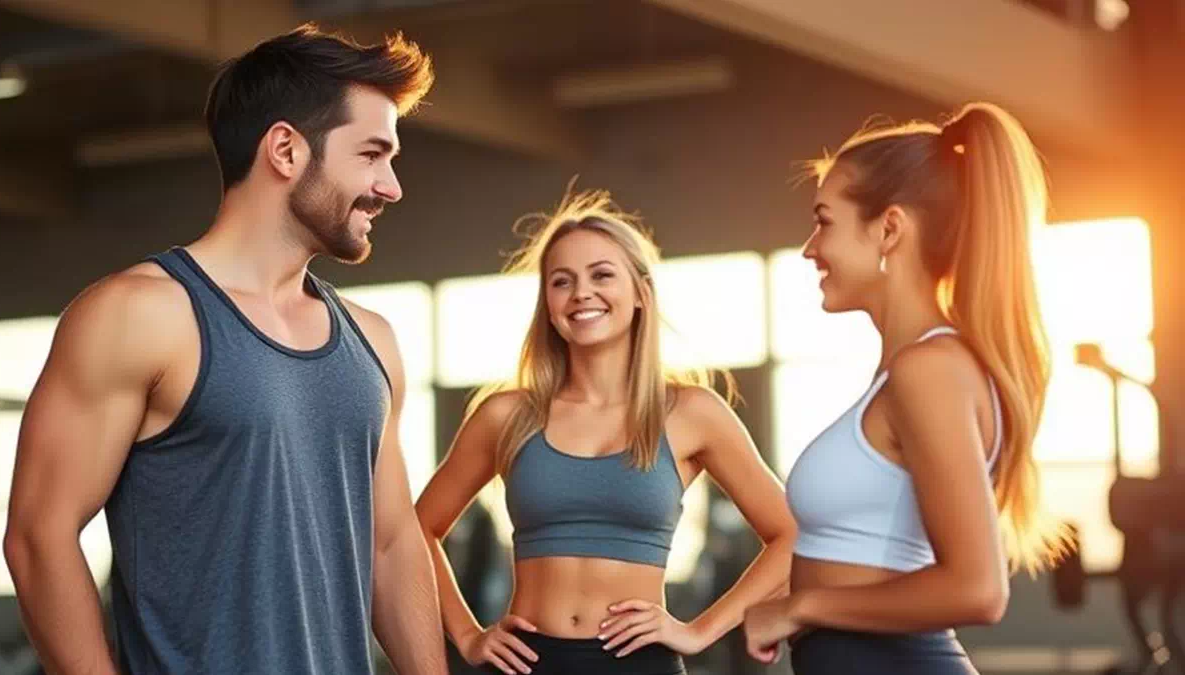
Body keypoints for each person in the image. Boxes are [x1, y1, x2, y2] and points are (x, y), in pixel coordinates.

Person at [3, 25, 448, 675]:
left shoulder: (372, 339)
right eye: (373, 154)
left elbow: (390, 542)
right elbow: (38, 536)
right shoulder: (139, 315)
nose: (391, 186)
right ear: (286, 150)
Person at [742, 102, 1071, 673]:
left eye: (824, 220)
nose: (809, 247)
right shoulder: (910, 370)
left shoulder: (930, 371)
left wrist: (804, 605)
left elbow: (978, 589)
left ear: (889, 228)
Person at [415, 189, 796, 674]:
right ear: (547, 303)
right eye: (561, 281)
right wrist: (468, 636)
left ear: (640, 292)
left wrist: (699, 630)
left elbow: (791, 534)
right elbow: (416, 531)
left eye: (601, 275)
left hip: (639, 665)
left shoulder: (691, 412)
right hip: (527, 665)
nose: (581, 294)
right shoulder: (506, 414)